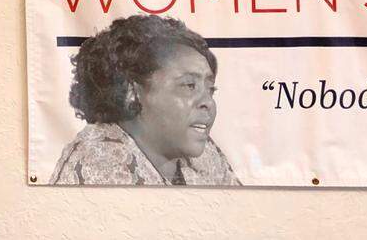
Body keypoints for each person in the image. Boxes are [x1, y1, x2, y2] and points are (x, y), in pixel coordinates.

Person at [50, 14, 240, 186]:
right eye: (189, 85)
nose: (208, 103)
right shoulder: (100, 161)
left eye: (210, 89)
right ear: (132, 91)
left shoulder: (205, 154)